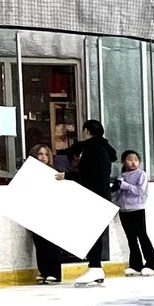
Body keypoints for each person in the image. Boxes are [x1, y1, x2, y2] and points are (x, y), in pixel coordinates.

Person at [64, 117, 119, 286]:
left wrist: (68, 176)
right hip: (101, 195)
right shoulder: (102, 148)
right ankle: (95, 266)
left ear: (87, 131)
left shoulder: (94, 150)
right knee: (94, 232)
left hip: (94, 195)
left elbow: (90, 175)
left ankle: (95, 266)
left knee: (93, 232)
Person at [22, 142, 70, 283]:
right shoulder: (28, 174)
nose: (43, 157)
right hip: (35, 213)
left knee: (51, 244)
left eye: (45, 154)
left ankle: (54, 273)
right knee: (40, 244)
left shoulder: (55, 174)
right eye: (40, 154)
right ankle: (43, 271)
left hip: (51, 213)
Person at [115, 150, 154, 274]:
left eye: (136, 159)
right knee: (131, 238)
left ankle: (152, 264)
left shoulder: (141, 174)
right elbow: (117, 195)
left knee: (142, 236)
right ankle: (136, 264)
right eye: (130, 159)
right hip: (124, 211)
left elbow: (140, 191)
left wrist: (124, 185)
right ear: (123, 161)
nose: (133, 162)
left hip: (137, 209)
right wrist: (115, 190)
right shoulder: (121, 176)